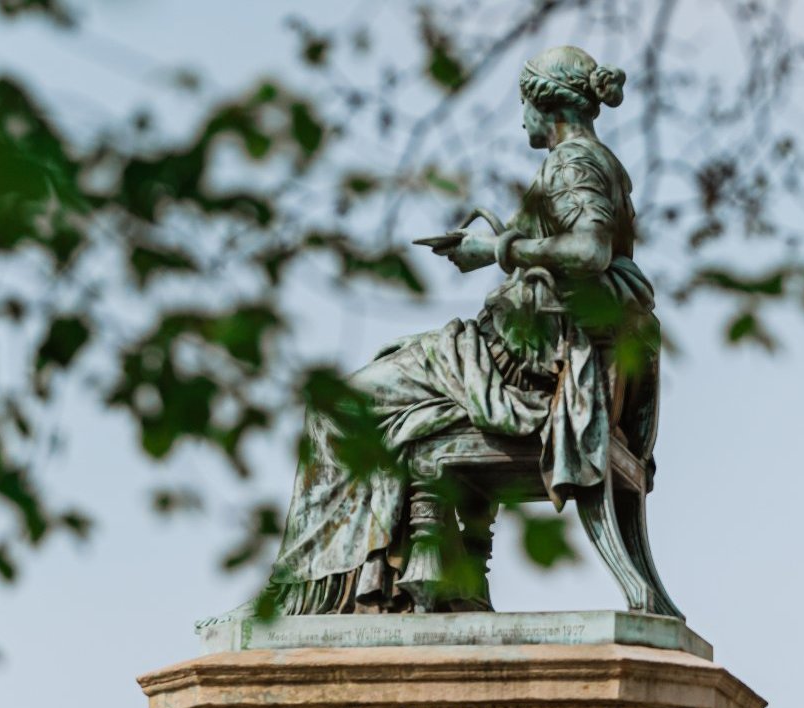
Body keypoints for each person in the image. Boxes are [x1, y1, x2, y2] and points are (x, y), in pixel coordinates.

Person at [239, 45, 659, 616]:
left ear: (544, 103)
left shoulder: (572, 162)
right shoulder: (595, 162)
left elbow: (588, 249)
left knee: (341, 411)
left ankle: (307, 595)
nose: (520, 121)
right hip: (517, 355)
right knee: (384, 376)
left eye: (522, 105)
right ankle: (420, 581)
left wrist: (497, 249)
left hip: (515, 371)